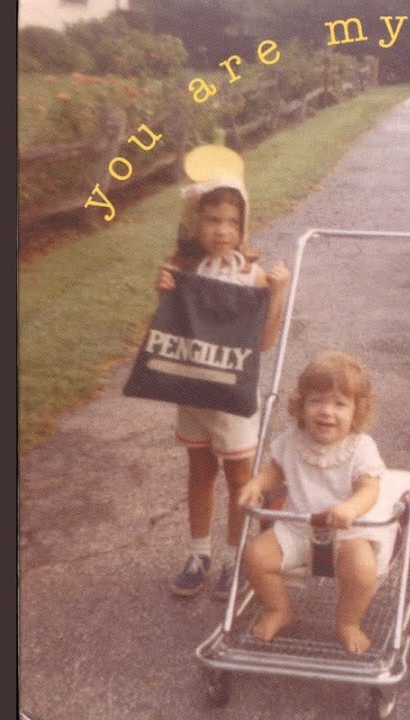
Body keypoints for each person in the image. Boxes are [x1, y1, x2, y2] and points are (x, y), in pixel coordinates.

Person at [157, 159, 290, 599]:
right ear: (194, 222)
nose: (222, 230)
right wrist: (164, 294)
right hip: (193, 389)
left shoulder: (250, 274)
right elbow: (169, 333)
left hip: (232, 396)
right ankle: (199, 554)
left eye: (232, 222)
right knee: (199, 472)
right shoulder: (184, 270)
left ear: (242, 226)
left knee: (239, 479)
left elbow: (264, 343)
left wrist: (275, 295)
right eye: (212, 220)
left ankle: (236, 558)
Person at [236, 351, 394, 654]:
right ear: (301, 405)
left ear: (357, 412)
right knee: (255, 557)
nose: (326, 412)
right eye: (316, 401)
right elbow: (275, 470)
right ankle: (278, 609)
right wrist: (257, 484)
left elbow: (369, 488)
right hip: (298, 525)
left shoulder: (360, 447)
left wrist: (351, 507)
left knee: (362, 571)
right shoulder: (292, 440)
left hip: (348, 532)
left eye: (339, 404)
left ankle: (348, 621)